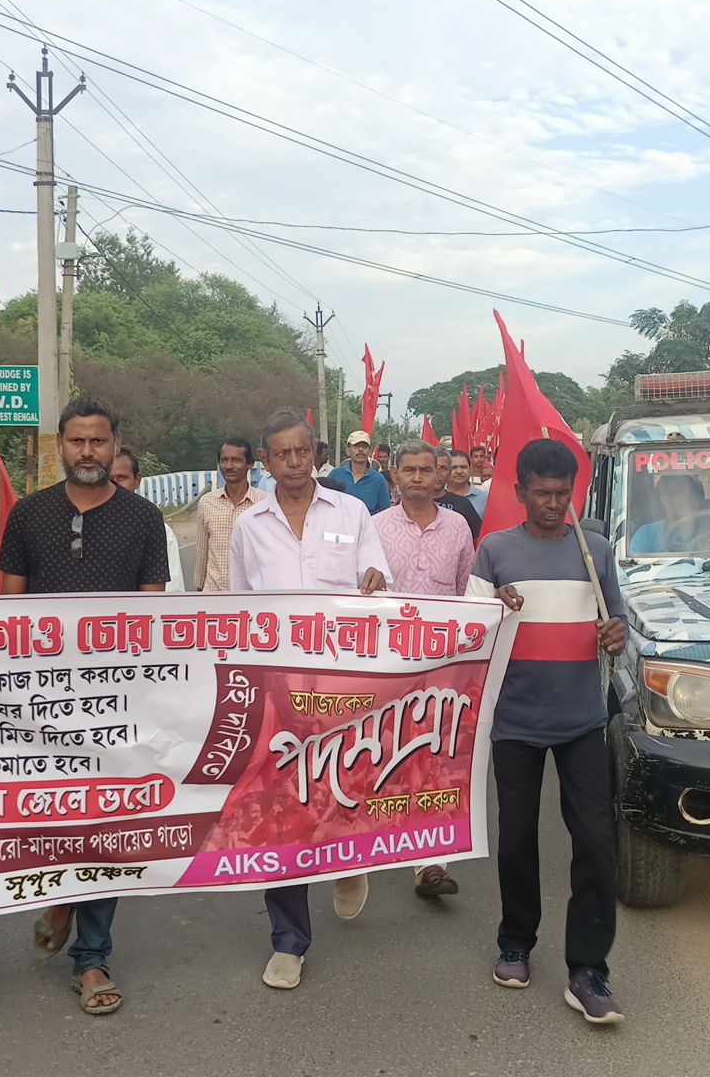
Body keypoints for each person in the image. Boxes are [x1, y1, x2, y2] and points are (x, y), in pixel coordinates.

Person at [0, 396, 172, 1016]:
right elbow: (3, 614)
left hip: (118, 700)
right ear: (60, 446)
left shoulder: (145, 518)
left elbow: (153, 614)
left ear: (114, 441)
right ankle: (58, 894)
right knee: (51, 816)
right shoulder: (28, 515)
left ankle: (92, 959)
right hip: (38, 703)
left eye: (98, 442)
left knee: (107, 822)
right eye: (76, 442)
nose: (88, 453)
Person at [467, 438, 629, 1025]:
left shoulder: (597, 552)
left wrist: (616, 633)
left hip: (583, 720)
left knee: (593, 840)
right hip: (514, 722)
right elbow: (468, 634)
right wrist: (494, 608)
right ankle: (516, 943)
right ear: (520, 493)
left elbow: (618, 621)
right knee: (517, 838)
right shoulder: (494, 552)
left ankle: (589, 970)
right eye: (542, 494)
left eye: (563, 494)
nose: (554, 505)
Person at [230, 410, 391, 991]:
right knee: (283, 809)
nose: (294, 463)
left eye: (303, 452)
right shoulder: (249, 527)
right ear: (265, 463)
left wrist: (375, 579)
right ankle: (289, 941)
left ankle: (349, 861)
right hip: (281, 687)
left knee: (343, 782)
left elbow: (381, 576)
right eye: (282, 455)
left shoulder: (352, 512)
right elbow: (239, 607)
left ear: (315, 455)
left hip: (347, 683)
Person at [372, 440, 476, 898]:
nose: (417, 477)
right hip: (384, 665)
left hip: (443, 667)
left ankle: (431, 862)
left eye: (425, 470)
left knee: (436, 759)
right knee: (385, 758)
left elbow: (467, 593)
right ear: (394, 474)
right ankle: (369, 845)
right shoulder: (371, 528)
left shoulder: (458, 527)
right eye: (408, 469)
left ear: (439, 476)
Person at [195, 438, 268, 592]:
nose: (229, 466)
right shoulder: (207, 503)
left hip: (250, 596)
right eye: (224, 460)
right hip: (213, 595)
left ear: (250, 464)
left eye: (236, 460)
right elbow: (203, 554)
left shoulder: (264, 503)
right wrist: (199, 591)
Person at [111, 448, 185, 591]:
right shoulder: (82, 527)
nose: (115, 486)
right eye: (108, 479)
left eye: (122, 478)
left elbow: (171, 589)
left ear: (137, 481)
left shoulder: (155, 528)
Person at [630, 476, 708, 554]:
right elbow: (634, 565)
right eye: (677, 492)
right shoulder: (647, 534)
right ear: (664, 500)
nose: (687, 498)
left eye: (692, 491)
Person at [327, 429, 390, 514]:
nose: (360, 449)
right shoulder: (335, 475)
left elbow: (385, 513)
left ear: (370, 452)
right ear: (348, 451)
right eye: (356, 446)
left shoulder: (378, 479)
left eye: (364, 446)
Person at [432, 445, 483, 540]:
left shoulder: (463, 503)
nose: (438, 473)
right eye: (433, 468)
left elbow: (478, 540)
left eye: (443, 468)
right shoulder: (412, 502)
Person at [449, 451, 488, 521]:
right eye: (454, 467)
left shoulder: (485, 499)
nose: (459, 471)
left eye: (463, 467)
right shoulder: (435, 497)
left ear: (470, 470)